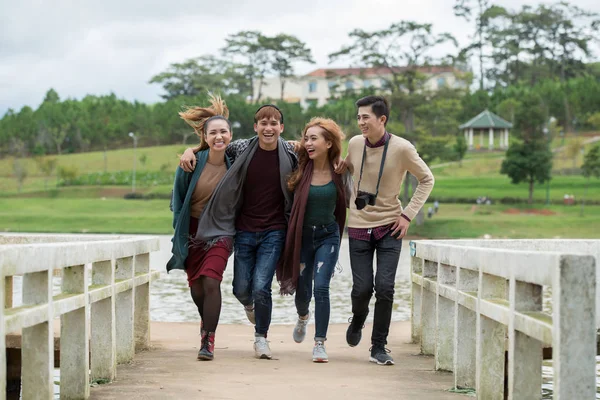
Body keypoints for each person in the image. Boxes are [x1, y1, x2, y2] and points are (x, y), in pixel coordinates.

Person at [179, 105, 297, 360]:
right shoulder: (240, 149)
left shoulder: (289, 150)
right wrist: (189, 150)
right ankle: (246, 306)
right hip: (240, 229)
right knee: (239, 288)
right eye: (263, 123)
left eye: (274, 123)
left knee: (259, 285)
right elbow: (212, 147)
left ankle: (258, 338)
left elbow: (315, 153)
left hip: (269, 230)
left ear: (281, 127)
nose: (268, 128)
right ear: (254, 127)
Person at [336, 95, 434, 365]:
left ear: (382, 119)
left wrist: (407, 215)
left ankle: (378, 347)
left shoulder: (402, 148)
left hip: (390, 226)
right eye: (358, 118)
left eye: (365, 117)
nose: (360, 122)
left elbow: (427, 179)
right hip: (358, 225)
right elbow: (345, 167)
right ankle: (357, 319)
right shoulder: (355, 143)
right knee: (362, 288)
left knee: (386, 287)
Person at [278, 118, 351, 363]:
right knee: (303, 291)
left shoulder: (340, 171)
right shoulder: (298, 163)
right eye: (306, 138)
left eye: (314, 138)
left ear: (329, 143)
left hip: (327, 236)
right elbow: (272, 142)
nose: (308, 142)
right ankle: (302, 316)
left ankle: (320, 343)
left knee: (321, 287)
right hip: (302, 236)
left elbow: (355, 195)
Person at [167, 95, 234, 361]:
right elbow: (178, 202)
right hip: (192, 230)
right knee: (196, 287)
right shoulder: (191, 163)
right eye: (213, 133)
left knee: (211, 280)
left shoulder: (236, 159)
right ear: (205, 137)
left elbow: (266, 143)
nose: (219, 137)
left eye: (223, 132)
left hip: (221, 231)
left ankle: (208, 341)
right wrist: (180, 236)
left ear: (230, 135)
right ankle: (206, 325)